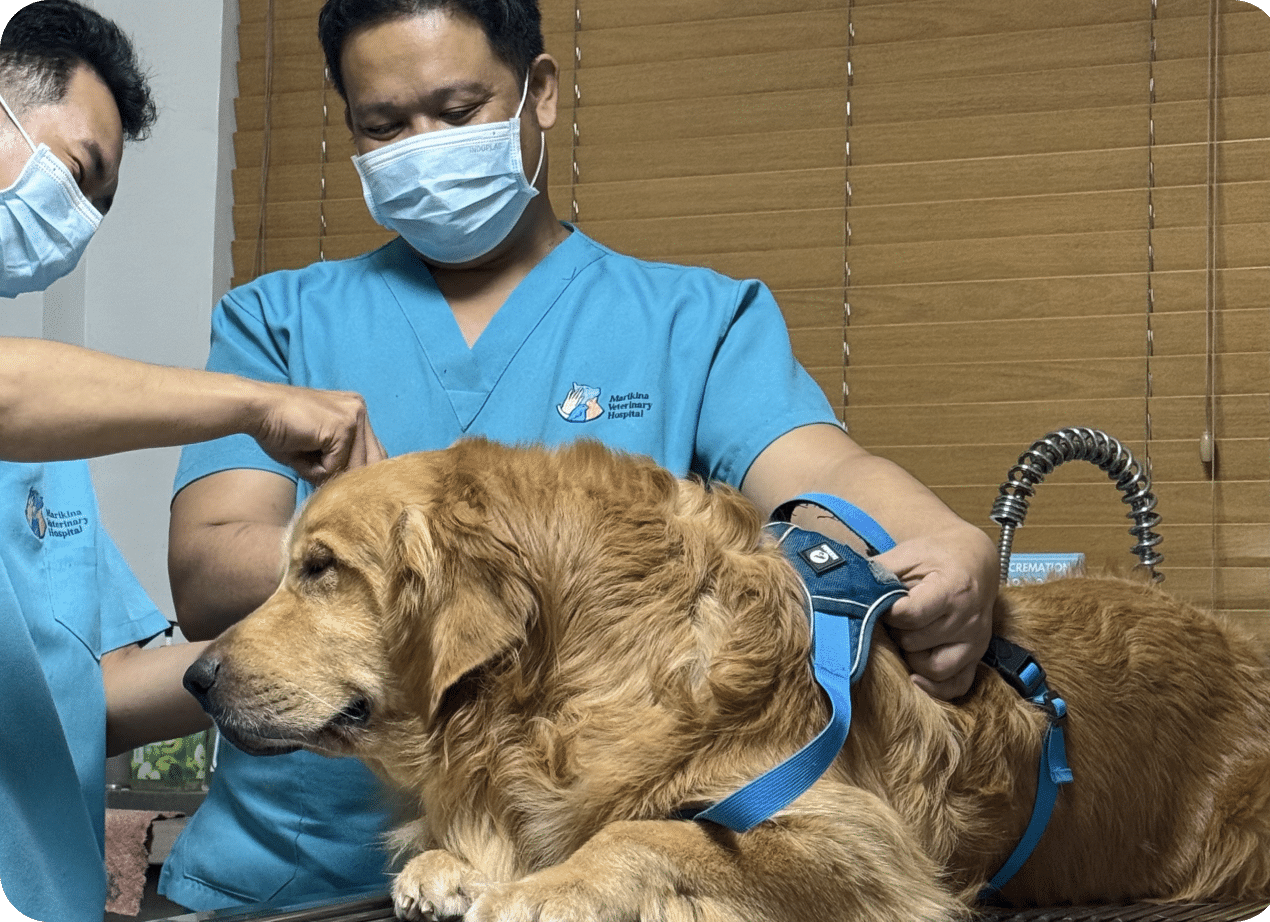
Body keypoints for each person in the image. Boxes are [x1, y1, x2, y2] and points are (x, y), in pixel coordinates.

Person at [161, 0, 999, 910]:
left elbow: (826, 473)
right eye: (384, 125)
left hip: (576, 879)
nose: (423, 146)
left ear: (541, 93)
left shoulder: (693, 321)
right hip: (283, 882)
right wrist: (391, 556)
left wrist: (950, 539)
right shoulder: (279, 321)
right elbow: (210, 565)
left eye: (456, 110)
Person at [0, 4, 384, 921]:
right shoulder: (29, 403)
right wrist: (259, 401)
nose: (80, 223)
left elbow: (85, 695)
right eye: (77, 174)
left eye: (102, 204)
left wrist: (298, 662)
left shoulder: (52, 456)